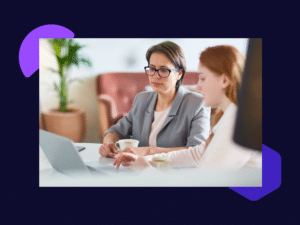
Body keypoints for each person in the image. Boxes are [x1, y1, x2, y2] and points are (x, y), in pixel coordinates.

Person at [113, 45, 262, 171]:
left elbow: (206, 183)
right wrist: (146, 160)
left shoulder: (236, 126)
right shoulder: (229, 117)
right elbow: (195, 154)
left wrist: (145, 168)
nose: (198, 86)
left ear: (224, 80)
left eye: (202, 78)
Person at [99, 41, 211, 158]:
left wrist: (148, 152)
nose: (155, 76)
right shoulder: (142, 99)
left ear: (179, 73)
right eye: (152, 69)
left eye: (163, 70)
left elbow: (197, 151)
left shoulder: (197, 104)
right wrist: (109, 143)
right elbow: (115, 131)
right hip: (139, 170)